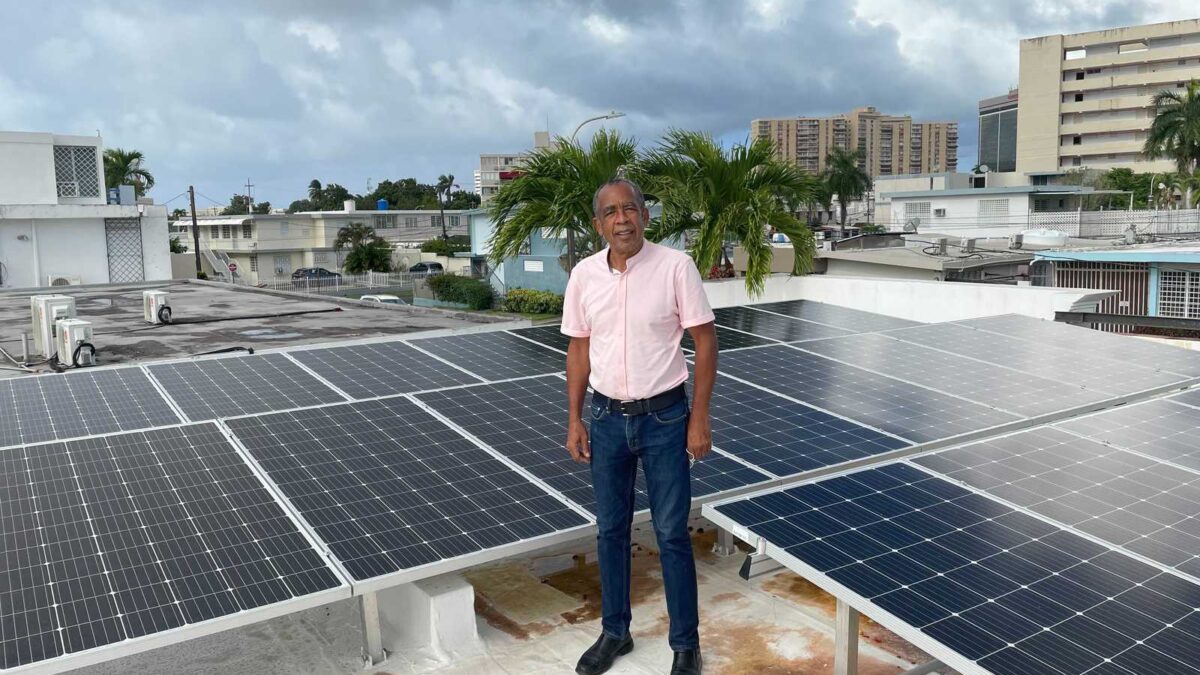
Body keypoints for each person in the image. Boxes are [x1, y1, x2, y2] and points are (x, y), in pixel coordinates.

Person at [561, 177, 717, 675]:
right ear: (598, 224)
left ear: (645, 217)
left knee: (671, 531)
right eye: (611, 212)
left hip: (666, 419)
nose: (622, 219)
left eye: (630, 209)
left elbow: (706, 343)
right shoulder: (584, 275)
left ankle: (685, 644)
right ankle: (615, 632)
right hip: (606, 420)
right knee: (610, 531)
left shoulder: (676, 267)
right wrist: (574, 419)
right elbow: (579, 349)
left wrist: (699, 419)